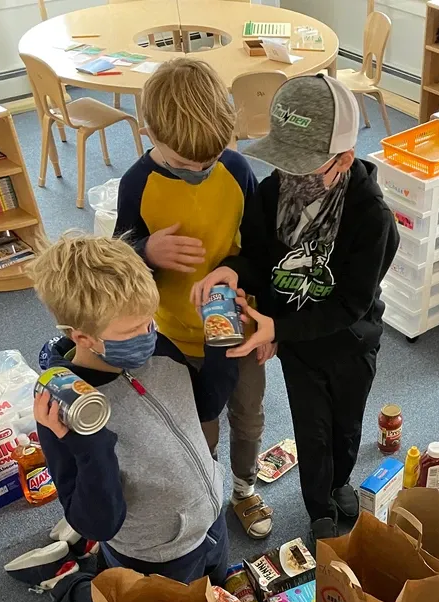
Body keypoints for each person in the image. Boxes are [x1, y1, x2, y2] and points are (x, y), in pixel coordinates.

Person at [192, 75, 399, 547]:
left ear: (344, 159)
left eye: (304, 168)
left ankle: (340, 483)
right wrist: (233, 272)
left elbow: (352, 303)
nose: (291, 178)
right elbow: (259, 260)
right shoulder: (270, 195)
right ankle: (318, 506)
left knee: (346, 424)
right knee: (312, 429)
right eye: (284, 164)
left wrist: (277, 326)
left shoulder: (371, 217)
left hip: (351, 342)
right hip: (298, 347)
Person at [4, 234, 238, 602]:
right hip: (156, 553)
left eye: (150, 320)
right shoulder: (63, 410)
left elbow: (206, 405)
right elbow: (98, 522)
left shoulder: (158, 347)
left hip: (209, 515)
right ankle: (65, 583)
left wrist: (221, 341)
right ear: (83, 337)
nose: (147, 335)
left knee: (215, 595)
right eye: (132, 331)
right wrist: (90, 444)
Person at [113, 58, 272, 540]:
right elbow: (116, 268)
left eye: (211, 161)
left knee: (248, 416)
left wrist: (266, 317)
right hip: (175, 339)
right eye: (185, 165)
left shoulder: (237, 170)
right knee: (197, 426)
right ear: (149, 133)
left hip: (239, 331)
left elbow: (262, 250)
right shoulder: (137, 184)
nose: (201, 173)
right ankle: (207, 488)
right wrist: (145, 250)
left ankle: (243, 488)